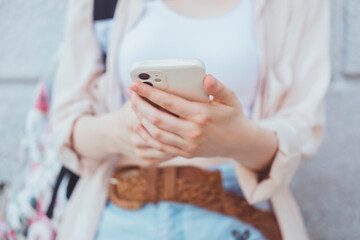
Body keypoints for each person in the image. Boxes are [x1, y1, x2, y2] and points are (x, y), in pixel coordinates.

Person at [50, 0, 330, 239]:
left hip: (237, 210)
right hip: (118, 210)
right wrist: (117, 133)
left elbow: (303, 127)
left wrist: (237, 140)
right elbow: (66, 122)